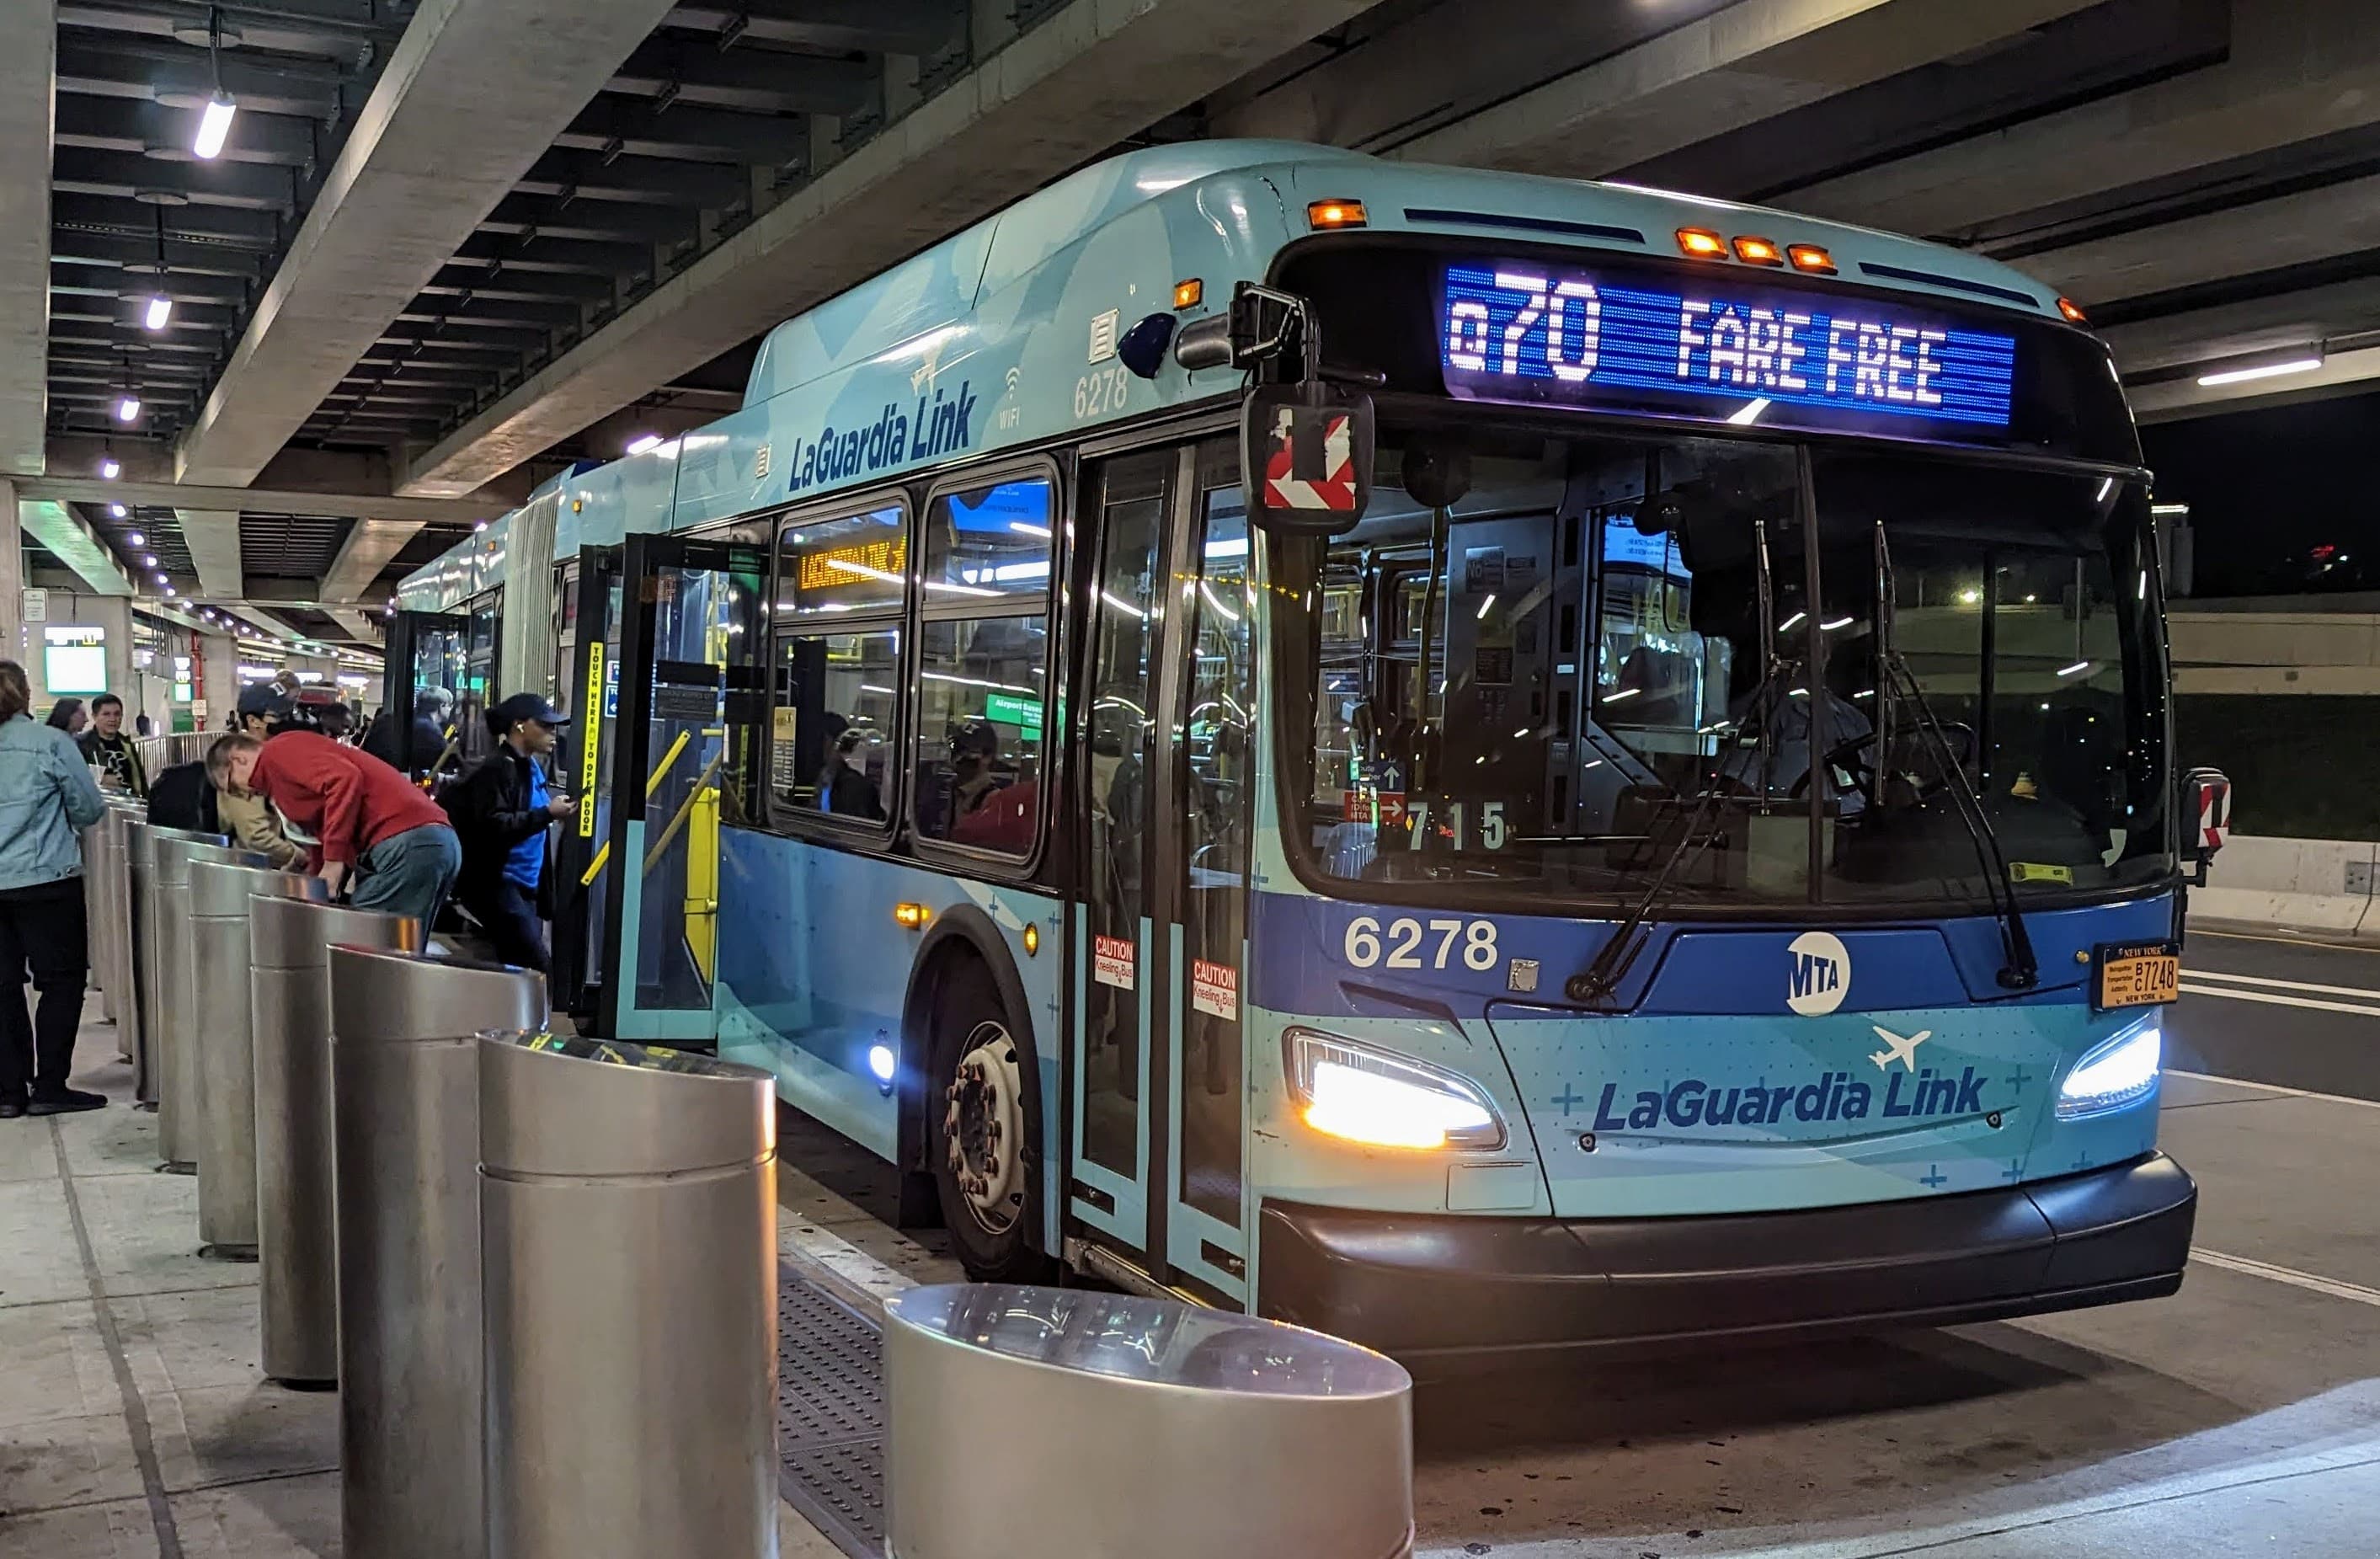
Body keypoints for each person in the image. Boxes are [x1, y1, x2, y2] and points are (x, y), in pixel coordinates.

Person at [209, 729, 462, 932]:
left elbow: (344, 779)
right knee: (398, 952)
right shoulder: (281, 773)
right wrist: (315, 878)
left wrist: (333, 862)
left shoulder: (277, 753)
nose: (244, 795)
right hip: (427, 843)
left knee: (365, 947)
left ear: (238, 759)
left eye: (233, 787)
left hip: (408, 843)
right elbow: (328, 822)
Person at [0, 660, 109, 1117]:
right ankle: (49, 1087)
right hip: (46, 879)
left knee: (3, 986)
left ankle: (8, 1092)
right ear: (24, 694)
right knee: (61, 982)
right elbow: (88, 809)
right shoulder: (50, 743)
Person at [444, 693, 577, 971]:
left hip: (526, 886)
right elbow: (494, 826)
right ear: (519, 725)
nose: (553, 733)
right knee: (537, 968)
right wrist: (547, 814)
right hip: (499, 885)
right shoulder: (498, 769)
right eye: (545, 725)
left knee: (518, 969)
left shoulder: (530, 767)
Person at [212, 685, 307, 869]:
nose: (285, 720)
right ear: (253, 721)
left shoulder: (269, 755)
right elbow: (256, 838)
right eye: (277, 715)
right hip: (256, 871)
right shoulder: (243, 765)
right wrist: (300, 856)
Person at [77, 693, 147, 796]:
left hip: (131, 802)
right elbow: (75, 779)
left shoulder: (126, 744)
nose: (113, 719)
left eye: (117, 714)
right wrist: (100, 779)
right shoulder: (83, 745)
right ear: (94, 716)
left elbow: (140, 779)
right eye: (106, 714)